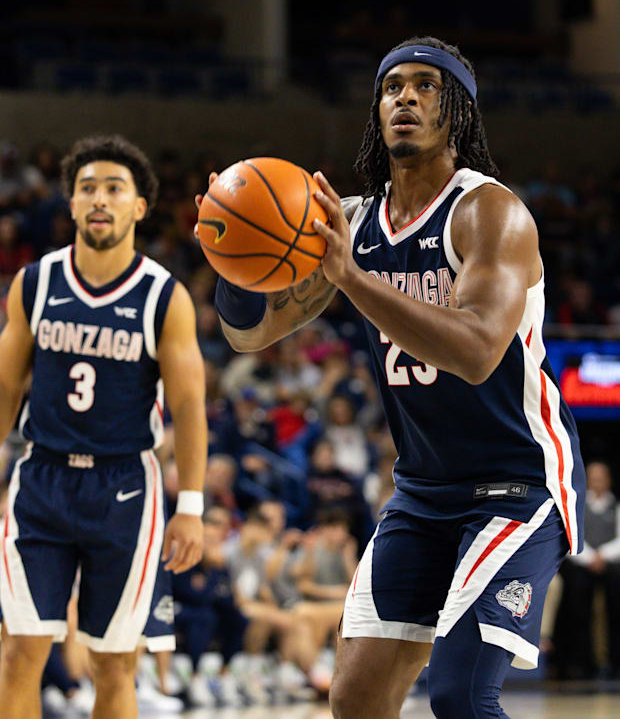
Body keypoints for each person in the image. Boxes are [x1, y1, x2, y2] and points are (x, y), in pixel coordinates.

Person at [205, 36, 586, 718]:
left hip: (519, 485)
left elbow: (475, 351)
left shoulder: (489, 213)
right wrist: (231, 256)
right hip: (422, 492)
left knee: (462, 695)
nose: (405, 97)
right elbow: (250, 332)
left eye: (426, 86)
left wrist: (352, 277)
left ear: (458, 112)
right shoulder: (352, 222)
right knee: (355, 699)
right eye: (392, 87)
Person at [0, 134, 207, 719]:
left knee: (114, 663)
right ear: (70, 205)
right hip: (40, 480)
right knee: (18, 651)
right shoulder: (36, 283)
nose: (99, 198)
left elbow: (189, 409)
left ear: (140, 206)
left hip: (124, 491)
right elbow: (5, 387)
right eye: (87, 188)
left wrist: (190, 504)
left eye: (114, 188)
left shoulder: (164, 297)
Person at [554, 460, 620, 678]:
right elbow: (569, 536)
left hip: (611, 565)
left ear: (609, 480)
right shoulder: (577, 506)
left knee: (615, 608)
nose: (597, 482)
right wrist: (591, 557)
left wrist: (603, 556)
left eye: (601, 478)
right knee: (578, 607)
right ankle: (581, 663)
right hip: (582, 563)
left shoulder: (616, 506)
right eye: (593, 478)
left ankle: (614, 663)